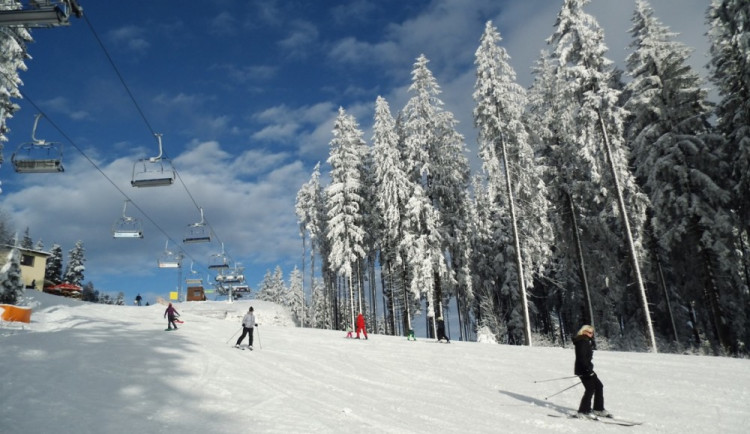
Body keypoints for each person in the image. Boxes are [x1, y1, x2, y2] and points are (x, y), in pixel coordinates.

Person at [573, 325, 612, 419]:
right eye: (589, 332)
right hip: (584, 369)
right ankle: (583, 411)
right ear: (583, 332)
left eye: (592, 332)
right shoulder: (582, 341)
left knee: (599, 386)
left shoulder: (585, 341)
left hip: (587, 369)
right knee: (590, 389)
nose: (591, 334)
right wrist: (587, 370)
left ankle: (598, 409)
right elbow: (581, 358)